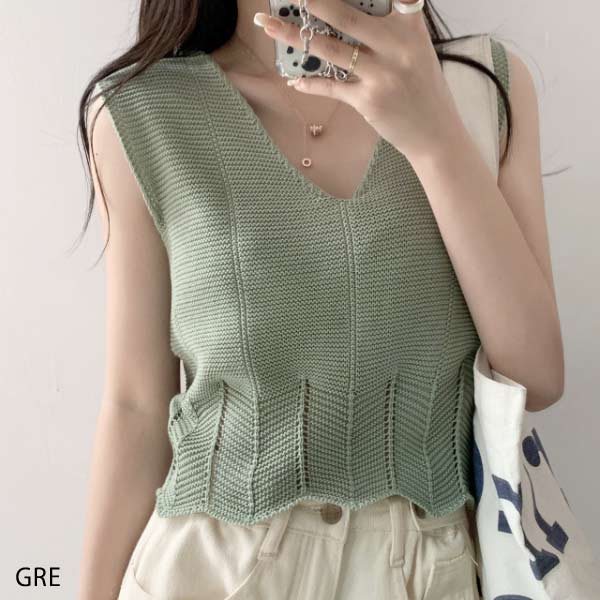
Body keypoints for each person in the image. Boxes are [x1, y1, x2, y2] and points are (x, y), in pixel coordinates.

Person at [77, 0, 564, 598]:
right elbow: (135, 408)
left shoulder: (480, 87)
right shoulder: (143, 110)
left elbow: (536, 376)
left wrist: (434, 135)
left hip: (421, 572)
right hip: (208, 570)